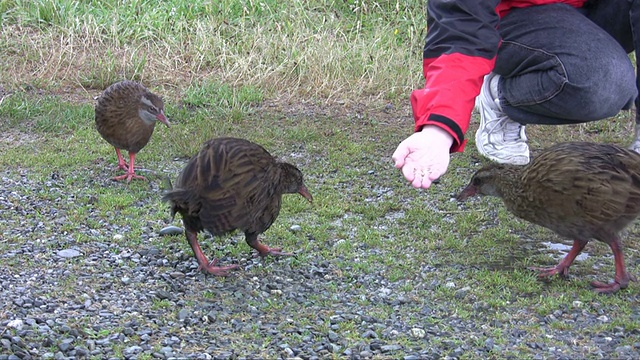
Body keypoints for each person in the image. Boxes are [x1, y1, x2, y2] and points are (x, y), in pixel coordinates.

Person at [392, 1, 640, 189]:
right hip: (510, 20)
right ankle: (499, 94)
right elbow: (460, 28)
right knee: (603, 82)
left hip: (595, 10)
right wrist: (440, 127)